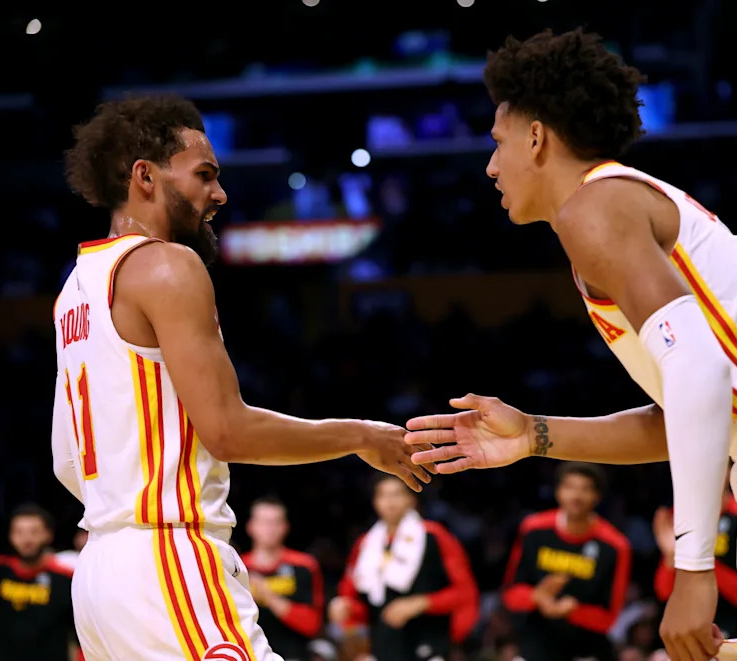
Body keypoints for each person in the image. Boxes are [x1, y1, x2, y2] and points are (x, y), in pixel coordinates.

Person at [404, 27, 737, 661]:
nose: (490, 166)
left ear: (536, 137)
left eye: (497, 142)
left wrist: (694, 568)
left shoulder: (591, 208)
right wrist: (535, 435)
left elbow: (699, 371)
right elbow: (692, 405)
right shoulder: (626, 200)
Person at [52, 94, 433, 661]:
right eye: (204, 175)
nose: (219, 194)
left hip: (99, 577)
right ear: (145, 176)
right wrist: (360, 436)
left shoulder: (76, 287)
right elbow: (227, 432)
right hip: (167, 559)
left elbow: (64, 459)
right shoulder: (166, 265)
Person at [328, 474, 479, 660]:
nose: (389, 502)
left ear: (411, 498)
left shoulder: (435, 536)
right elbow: (357, 601)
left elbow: (465, 593)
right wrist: (344, 608)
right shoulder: (366, 543)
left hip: (430, 641)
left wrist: (421, 603)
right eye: (382, 495)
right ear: (375, 501)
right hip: (383, 645)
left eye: (397, 494)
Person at [502, 462, 630, 661]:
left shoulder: (615, 545)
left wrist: (572, 610)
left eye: (585, 489)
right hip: (536, 642)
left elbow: (610, 617)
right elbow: (511, 594)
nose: (576, 496)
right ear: (558, 491)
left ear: (597, 496)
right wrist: (538, 597)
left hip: (587, 648)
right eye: (569, 487)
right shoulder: (533, 529)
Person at [0, 504, 79, 660]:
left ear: (48, 534)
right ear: (10, 535)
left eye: (34, 532)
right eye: (18, 532)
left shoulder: (66, 579)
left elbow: (82, 634)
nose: (26, 539)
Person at [653, 483, 737, 639]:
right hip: (690, 624)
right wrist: (670, 556)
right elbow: (664, 592)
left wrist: (695, 557)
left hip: (733, 624)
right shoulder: (682, 517)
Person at [243, 496, 324, 660]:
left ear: (285, 527)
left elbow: (313, 624)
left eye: (275, 522)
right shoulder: (237, 568)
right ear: (251, 527)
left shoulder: (304, 566)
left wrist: (268, 596)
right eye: (264, 522)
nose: (269, 528)